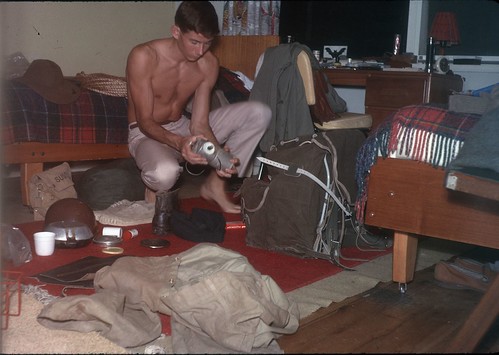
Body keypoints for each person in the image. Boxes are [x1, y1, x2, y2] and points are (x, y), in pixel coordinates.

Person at [126, 1, 271, 214]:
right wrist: (180, 143)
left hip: (183, 128)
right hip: (146, 133)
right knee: (165, 174)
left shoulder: (208, 63)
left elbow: (200, 124)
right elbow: (145, 121)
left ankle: (215, 184)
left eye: (207, 43)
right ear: (176, 32)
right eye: (194, 42)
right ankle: (153, 187)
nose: (200, 51)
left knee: (259, 113)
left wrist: (219, 156)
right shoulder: (144, 56)